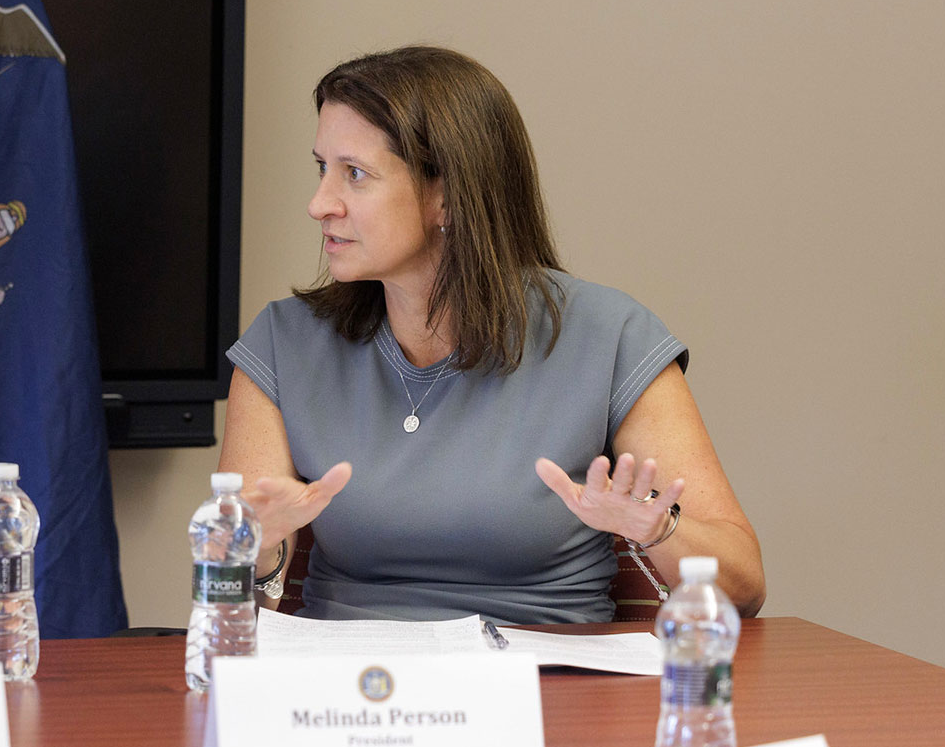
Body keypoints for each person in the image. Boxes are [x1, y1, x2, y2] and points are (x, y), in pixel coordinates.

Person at [220, 46, 765, 625]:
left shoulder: (610, 337)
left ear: (447, 195)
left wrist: (655, 527)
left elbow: (744, 586)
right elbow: (234, 598)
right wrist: (251, 550)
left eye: (354, 174)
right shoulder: (284, 343)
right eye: (321, 169)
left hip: (549, 694)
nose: (318, 204)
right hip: (355, 696)